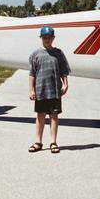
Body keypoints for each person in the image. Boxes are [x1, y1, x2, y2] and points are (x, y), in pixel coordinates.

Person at [28, 25, 71, 154]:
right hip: (41, 90)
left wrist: (65, 84)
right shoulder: (35, 54)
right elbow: (32, 74)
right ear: (41, 38)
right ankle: (38, 142)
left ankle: (53, 142)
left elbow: (64, 71)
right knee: (40, 116)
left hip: (55, 90)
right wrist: (31, 90)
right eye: (45, 37)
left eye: (49, 37)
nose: (47, 39)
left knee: (53, 116)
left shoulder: (58, 53)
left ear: (53, 38)